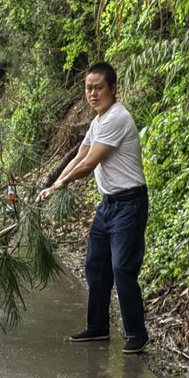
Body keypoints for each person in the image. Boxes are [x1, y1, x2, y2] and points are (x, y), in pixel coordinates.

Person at [38, 62, 149, 353]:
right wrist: (54, 183)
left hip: (129, 203)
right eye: (89, 88)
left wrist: (60, 185)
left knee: (123, 268)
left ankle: (136, 334)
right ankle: (98, 326)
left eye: (99, 87)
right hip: (108, 205)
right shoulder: (97, 122)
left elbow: (89, 165)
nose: (93, 93)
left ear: (113, 89)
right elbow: (80, 155)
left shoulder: (116, 118)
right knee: (95, 267)